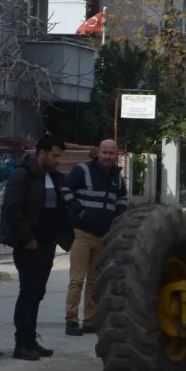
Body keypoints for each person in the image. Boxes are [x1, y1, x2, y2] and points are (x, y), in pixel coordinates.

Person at [0, 134, 73, 360]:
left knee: (38, 293)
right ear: (41, 153)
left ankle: (31, 340)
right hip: (28, 243)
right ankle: (21, 343)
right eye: (54, 155)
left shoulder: (55, 177)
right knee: (28, 292)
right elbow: (13, 209)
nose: (57, 160)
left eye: (59, 156)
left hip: (47, 243)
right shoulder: (22, 175)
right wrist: (27, 238)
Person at [61, 138, 127, 336]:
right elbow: (65, 189)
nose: (108, 156)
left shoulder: (117, 177)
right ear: (98, 152)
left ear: (117, 155)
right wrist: (79, 210)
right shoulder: (83, 170)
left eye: (111, 153)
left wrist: (120, 216)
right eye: (105, 152)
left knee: (95, 282)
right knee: (77, 280)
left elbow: (122, 198)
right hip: (83, 234)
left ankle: (90, 320)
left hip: (104, 236)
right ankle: (71, 320)